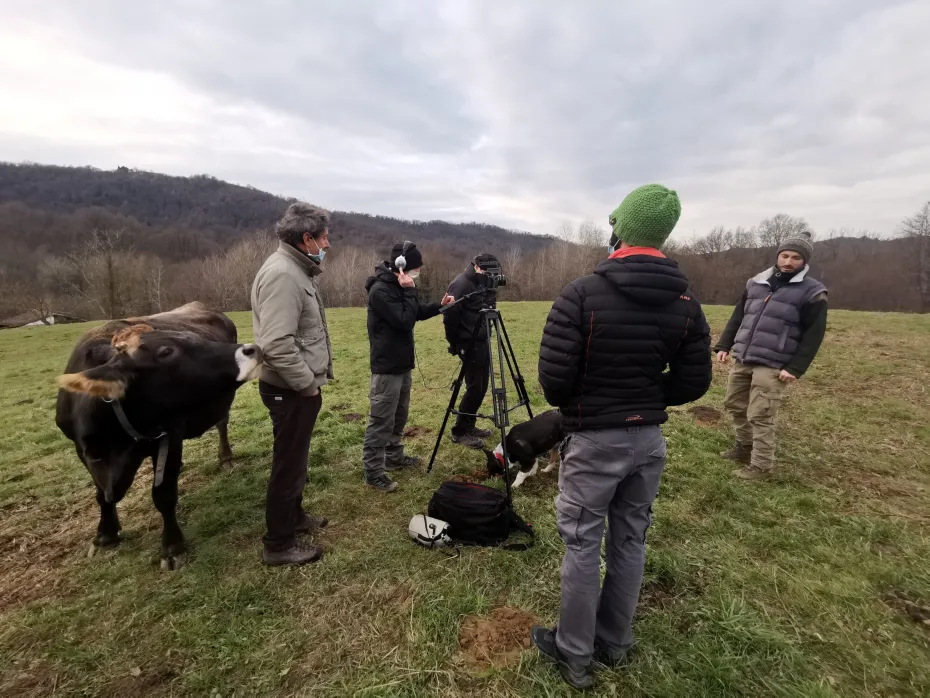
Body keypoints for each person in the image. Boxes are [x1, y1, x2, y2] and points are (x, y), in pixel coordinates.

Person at [531, 184, 712, 690]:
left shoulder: (581, 294)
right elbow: (694, 381)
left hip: (594, 440)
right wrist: (647, 399)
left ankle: (574, 652)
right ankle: (615, 639)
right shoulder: (686, 303)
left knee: (583, 544)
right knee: (631, 538)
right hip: (648, 441)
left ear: (622, 230)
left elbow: (555, 381)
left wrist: (595, 403)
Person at [251, 202, 334, 566]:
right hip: (290, 390)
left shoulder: (297, 270)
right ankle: (279, 544)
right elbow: (276, 344)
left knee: (295, 460)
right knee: (287, 465)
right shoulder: (284, 275)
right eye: (324, 237)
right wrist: (306, 385)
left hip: (295, 388)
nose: (327, 244)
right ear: (307, 238)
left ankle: (295, 517)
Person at [715, 230, 828, 480]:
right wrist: (724, 345)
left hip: (774, 363)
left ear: (804, 261)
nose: (788, 262)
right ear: (778, 255)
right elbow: (739, 316)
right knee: (735, 404)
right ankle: (744, 447)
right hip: (744, 356)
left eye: (796, 258)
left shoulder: (813, 292)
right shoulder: (756, 282)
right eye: (785, 255)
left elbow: (814, 335)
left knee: (761, 413)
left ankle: (761, 466)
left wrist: (795, 367)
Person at [362, 242, 453, 492]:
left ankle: (393, 456)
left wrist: (440, 306)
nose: (419, 271)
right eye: (416, 267)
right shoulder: (381, 291)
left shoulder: (398, 286)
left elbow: (415, 312)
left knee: (399, 416)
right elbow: (404, 320)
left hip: (402, 365)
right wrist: (411, 291)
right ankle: (373, 472)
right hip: (386, 368)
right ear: (402, 266)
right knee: (381, 419)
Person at [442, 254, 499, 449]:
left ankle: (470, 425)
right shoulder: (461, 284)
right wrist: (455, 343)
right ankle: (460, 431)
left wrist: (491, 294)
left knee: (482, 387)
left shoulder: (480, 283)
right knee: (474, 387)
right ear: (476, 267)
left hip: (482, 341)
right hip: (469, 342)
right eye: (486, 272)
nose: (488, 275)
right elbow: (449, 316)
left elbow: (484, 309)